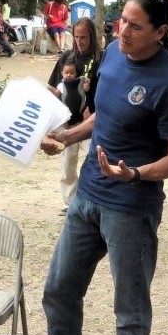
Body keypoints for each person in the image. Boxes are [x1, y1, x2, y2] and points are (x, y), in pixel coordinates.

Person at [33, 0, 168, 335]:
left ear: (161, 32)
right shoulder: (113, 58)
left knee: (129, 309)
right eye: (121, 20)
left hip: (131, 206)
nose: (122, 31)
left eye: (135, 25)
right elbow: (102, 116)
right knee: (60, 289)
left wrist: (137, 174)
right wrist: (65, 137)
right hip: (86, 196)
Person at [47, 18, 102, 209]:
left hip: (91, 120)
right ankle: (70, 202)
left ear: (92, 36)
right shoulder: (67, 58)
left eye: (84, 37)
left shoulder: (100, 59)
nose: (80, 41)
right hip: (68, 120)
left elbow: (104, 89)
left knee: (94, 159)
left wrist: (93, 108)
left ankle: (93, 198)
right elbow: (55, 86)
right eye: (76, 37)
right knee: (67, 162)